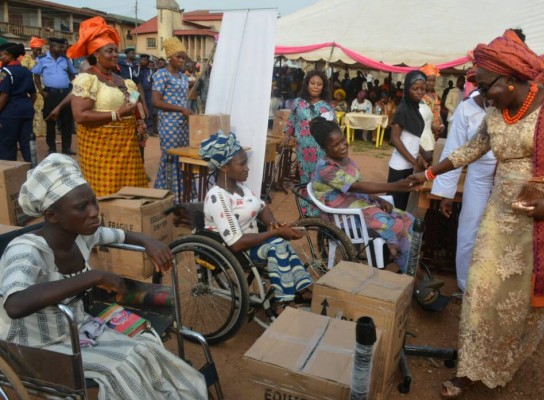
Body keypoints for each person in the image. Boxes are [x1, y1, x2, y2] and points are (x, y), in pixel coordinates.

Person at [408, 30, 544, 398]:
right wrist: (429, 173)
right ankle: (470, 368)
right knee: (481, 290)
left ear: (510, 80)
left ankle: (502, 363)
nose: (481, 92)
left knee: (522, 300)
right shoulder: (494, 111)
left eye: (487, 84)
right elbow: (472, 149)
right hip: (500, 210)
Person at [0, 153, 208, 399]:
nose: (94, 212)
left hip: (75, 327)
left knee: (147, 349)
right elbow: (15, 304)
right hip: (33, 343)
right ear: (52, 215)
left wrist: (147, 241)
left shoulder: (83, 235)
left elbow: (119, 235)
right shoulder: (27, 250)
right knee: (124, 369)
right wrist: (94, 277)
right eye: (82, 207)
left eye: (94, 202)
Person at [199, 132, 313, 313]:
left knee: (281, 242)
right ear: (225, 168)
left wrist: (273, 224)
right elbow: (236, 243)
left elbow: (261, 207)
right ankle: (281, 302)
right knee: (278, 245)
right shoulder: (218, 197)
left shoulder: (240, 187)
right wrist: (275, 233)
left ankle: (301, 289)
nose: (247, 168)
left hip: (253, 241)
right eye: (242, 164)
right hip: (234, 249)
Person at [310, 117, 416, 273]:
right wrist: (395, 186)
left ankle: (407, 265)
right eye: (335, 145)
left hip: (358, 206)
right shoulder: (326, 167)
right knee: (396, 226)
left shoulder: (346, 160)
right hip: (343, 217)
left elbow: (359, 186)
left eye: (343, 140)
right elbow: (356, 186)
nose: (342, 146)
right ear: (325, 148)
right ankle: (413, 273)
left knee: (409, 219)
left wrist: (377, 198)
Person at [66, 17, 147, 197]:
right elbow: (80, 115)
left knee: (132, 192)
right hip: (102, 152)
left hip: (128, 149)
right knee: (108, 194)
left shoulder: (122, 80)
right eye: (109, 51)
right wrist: (117, 113)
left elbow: (133, 100)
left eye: (116, 51)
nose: (115, 54)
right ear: (96, 54)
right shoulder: (87, 79)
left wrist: (139, 117)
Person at [431, 89, 495, 291]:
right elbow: (454, 150)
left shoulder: (518, 106)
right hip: (478, 176)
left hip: (510, 177)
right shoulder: (466, 108)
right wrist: (446, 195)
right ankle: (466, 286)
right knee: (470, 229)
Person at [285, 70, 335, 216]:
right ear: (307, 84)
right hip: (303, 151)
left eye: (319, 84)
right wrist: (287, 136)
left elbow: (334, 128)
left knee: (321, 180)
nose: (315, 86)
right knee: (306, 180)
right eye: (312, 83)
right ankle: (306, 212)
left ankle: (321, 211)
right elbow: (291, 122)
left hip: (322, 150)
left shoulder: (327, 106)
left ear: (323, 86)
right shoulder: (298, 103)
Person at [152, 37, 193, 203]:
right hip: (169, 124)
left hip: (183, 124)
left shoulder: (183, 77)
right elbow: (156, 101)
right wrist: (180, 109)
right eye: (179, 57)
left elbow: (184, 99)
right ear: (169, 57)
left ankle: (182, 197)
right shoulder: (161, 75)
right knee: (170, 158)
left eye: (183, 57)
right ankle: (168, 196)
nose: (182, 60)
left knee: (183, 158)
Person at [387, 70, 434, 210]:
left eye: (422, 89)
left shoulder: (414, 108)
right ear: (407, 89)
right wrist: (414, 162)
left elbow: (410, 138)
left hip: (409, 164)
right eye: (415, 89)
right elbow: (395, 139)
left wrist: (422, 152)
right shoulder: (403, 109)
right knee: (394, 205)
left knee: (402, 205)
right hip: (400, 166)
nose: (419, 92)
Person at [32, 37, 76, 155]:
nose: (62, 49)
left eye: (63, 47)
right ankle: (51, 148)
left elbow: (73, 74)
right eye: (59, 47)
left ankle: (66, 148)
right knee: (50, 121)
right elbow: (36, 75)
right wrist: (41, 91)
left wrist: (73, 86)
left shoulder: (66, 59)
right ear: (51, 47)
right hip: (50, 95)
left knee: (67, 122)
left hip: (66, 94)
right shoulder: (42, 59)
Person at [0, 43, 35, 162]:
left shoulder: (5, 71)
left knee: (7, 144)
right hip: (26, 110)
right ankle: (33, 169)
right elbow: (33, 95)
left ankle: (10, 175)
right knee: (27, 144)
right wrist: (27, 106)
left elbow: (4, 95)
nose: (0, 58)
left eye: (2, 56)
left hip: (10, 112)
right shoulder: (26, 71)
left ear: (9, 56)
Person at [420, 64, 445, 138]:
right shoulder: (420, 96)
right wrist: (430, 126)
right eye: (429, 80)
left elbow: (437, 112)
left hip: (436, 132)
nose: (431, 83)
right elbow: (419, 115)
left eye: (433, 81)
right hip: (424, 130)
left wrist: (442, 124)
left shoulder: (435, 96)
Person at [137, 54, 155, 136]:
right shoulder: (137, 68)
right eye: (142, 59)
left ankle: (150, 129)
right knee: (139, 110)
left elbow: (152, 82)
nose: (144, 61)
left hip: (148, 93)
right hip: (136, 93)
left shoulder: (150, 71)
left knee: (149, 110)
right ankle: (140, 128)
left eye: (146, 59)